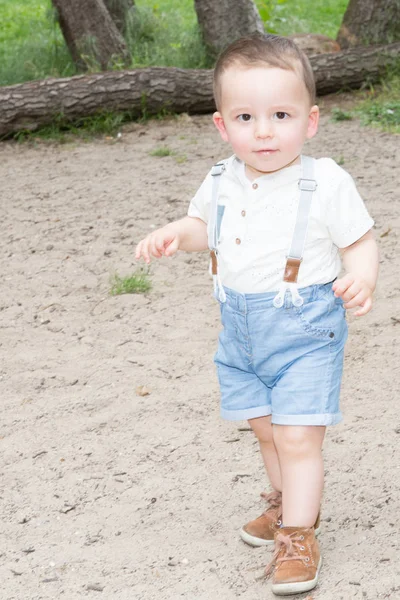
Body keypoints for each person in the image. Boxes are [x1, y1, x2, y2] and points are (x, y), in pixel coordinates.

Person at [135, 34, 379, 596]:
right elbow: (204, 230)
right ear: (223, 126)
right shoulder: (221, 179)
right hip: (240, 332)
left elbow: (361, 240)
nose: (264, 131)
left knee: (298, 438)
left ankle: (299, 535)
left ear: (310, 121)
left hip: (306, 331)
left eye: (281, 115)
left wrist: (361, 276)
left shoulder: (325, 182)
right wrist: (178, 233)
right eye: (246, 116)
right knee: (266, 431)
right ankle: (285, 505)